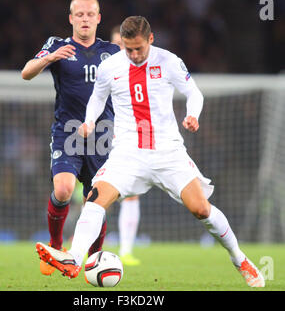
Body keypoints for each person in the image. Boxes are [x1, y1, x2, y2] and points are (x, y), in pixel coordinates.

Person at [36, 16, 265, 287]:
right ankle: (73, 257)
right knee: (95, 199)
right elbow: (97, 98)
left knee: (202, 209)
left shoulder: (168, 61)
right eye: (128, 48)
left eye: (139, 48)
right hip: (128, 153)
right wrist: (88, 121)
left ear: (151, 40)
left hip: (167, 152)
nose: (133, 54)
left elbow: (194, 93)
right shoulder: (110, 66)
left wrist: (193, 115)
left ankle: (239, 258)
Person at [22, 0, 120, 276]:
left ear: (98, 18)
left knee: (96, 200)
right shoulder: (57, 46)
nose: (85, 19)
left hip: (103, 135)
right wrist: (50, 58)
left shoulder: (113, 52)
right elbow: (26, 73)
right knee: (63, 190)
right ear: (71, 18)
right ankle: (56, 244)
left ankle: (95, 258)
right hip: (68, 132)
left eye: (90, 14)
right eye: (80, 14)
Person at [110, 25, 141, 266]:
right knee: (93, 193)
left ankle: (126, 250)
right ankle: (75, 242)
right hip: (100, 138)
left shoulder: (141, 73)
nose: (122, 49)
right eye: (117, 45)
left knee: (131, 194)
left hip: (128, 139)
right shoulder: (104, 72)